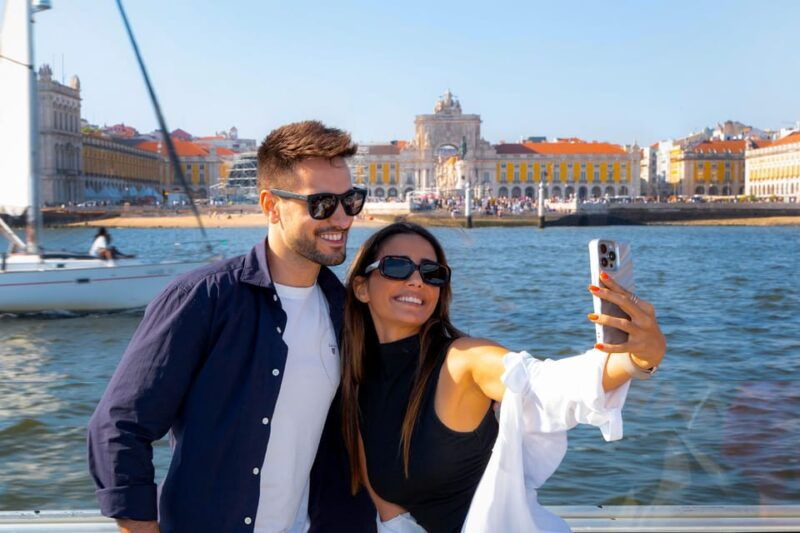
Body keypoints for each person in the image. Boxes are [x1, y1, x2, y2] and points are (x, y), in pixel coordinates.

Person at [87, 121, 376, 533]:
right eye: (322, 204)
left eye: (351, 200)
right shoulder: (203, 299)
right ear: (271, 206)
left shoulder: (343, 312)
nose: (342, 218)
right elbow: (119, 427)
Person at [340, 222, 667, 532]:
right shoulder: (359, 385)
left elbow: (542, 384)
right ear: (361, 287)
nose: (416, 281)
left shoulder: (462, 361)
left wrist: (637, 359)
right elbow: (393, 517)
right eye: (397, 267)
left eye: (432, 273)